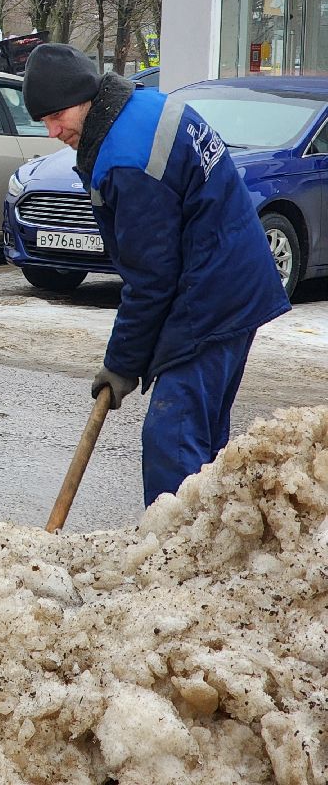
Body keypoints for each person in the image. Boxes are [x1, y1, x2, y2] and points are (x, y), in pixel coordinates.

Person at [22, 43, 290, 506]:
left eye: (56, 115)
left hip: (212, 291)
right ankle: (212, 548)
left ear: (84, 97)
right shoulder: (140, 106)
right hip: (233, 277)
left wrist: (121, 364)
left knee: (173, 437)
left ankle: (175, 558)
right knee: (203, 441)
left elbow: (151, 281)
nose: (52, 131)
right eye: (43, 120)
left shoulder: (128, 160)